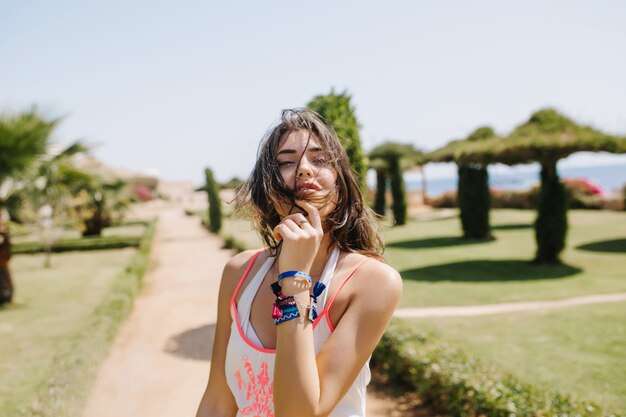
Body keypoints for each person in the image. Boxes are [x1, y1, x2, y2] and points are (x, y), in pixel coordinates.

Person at [196, 108, 402, 417]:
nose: (305, 169)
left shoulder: (372, 281)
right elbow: (216, 400)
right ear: (267, 185)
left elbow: (301, 412)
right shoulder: (239, 272)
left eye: (320, 160)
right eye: (286, 162)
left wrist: (295, 277)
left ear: (340, 181)